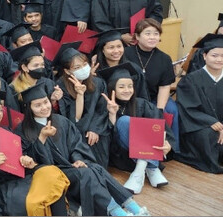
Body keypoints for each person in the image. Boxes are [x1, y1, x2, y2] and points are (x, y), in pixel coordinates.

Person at [17, 84, 148, 217]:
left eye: (46, 102)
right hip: (52, 175)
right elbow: (30, 161)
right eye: (38, 105)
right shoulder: (22, 130)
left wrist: (78, 159)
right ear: (29, 108)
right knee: (87, 174)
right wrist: (42, 137)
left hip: (71, 167)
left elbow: (76, 144)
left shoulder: (61, 121)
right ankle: (119, 213)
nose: (44, 107)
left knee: (96, 168)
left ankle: (134, 208)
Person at [0, 88, 70, 216]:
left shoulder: (5, 130)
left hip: (22, 177)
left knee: (51, 175)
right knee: (34, 197)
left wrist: (25, 158)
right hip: (1, 188)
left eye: (0, 109)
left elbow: (19, 152)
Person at [98, 63, 174, 194]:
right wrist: (112, 114)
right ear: (112, 89)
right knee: (125, 121)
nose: (127, 90)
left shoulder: (142, 103)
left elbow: (159, 125)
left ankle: (140, 171)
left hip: (147, 155)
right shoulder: (105, 105)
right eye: (121, 87)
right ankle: (151, 167)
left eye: (130, 86)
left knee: (153, 125)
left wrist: (166, 143)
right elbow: (109, 136)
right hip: (123, 155)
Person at [53, 41, 113, 167]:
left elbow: (101, 110)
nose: (83, 69)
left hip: (94, 129)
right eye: (76, 68)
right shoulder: (61, 87)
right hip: (75, 132)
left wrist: (95, 129)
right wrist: (79, 95)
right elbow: (74, 119)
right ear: (68, 71)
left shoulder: (98, 83)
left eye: (84, 64)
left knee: (99, 137)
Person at [124, 18, 179, 149]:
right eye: (148, 33)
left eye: (156, 34)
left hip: (154, 98)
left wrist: (159, 109)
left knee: (171, 108)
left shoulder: (164, 58)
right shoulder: (126, 54)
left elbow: (165, 86)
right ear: (137, 36)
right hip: (131, 98)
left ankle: (171, 147)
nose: (152, 37)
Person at [175, 33, 223, 173]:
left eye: (222, 56)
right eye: (214, 55)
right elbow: (187, 108)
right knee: (208, 135)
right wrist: (210, 121)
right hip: (199, 125)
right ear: (204, 56)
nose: (219, 59)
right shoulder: (191, 80)